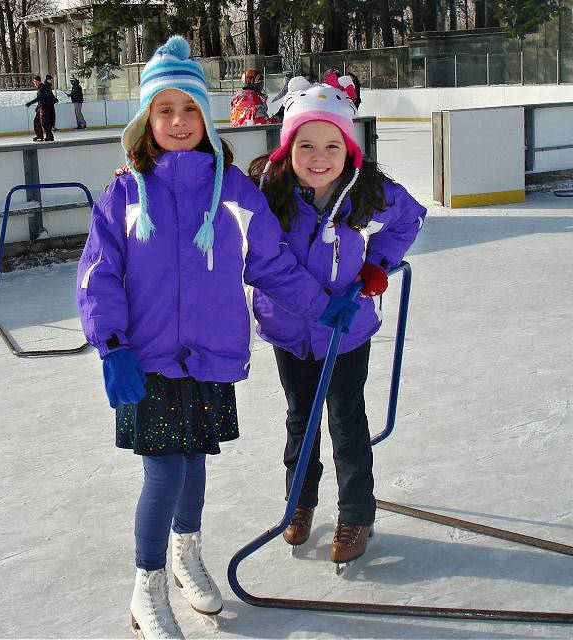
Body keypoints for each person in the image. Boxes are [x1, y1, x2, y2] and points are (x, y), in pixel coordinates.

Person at [76, 36, 345, 639]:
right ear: (148, 119)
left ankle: (184, 553)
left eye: (189, 109)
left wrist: (322, 306)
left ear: (206, 114)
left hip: (210, 357)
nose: (177, 122)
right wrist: (111, 344)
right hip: (145, 360)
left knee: (194, 463)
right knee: (164, 473)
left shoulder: (234, 193)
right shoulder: (123, 193)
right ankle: (145, 585)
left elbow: (271, 265)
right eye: (164, 110)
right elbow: (99, 275)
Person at [248, 74, 426, 567]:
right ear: (287, 148)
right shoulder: (266, 192)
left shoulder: (364, 190)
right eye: (305, 144)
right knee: (300, 419)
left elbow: (410, 217)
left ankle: (356, 514)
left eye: (332, 145)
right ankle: (299, 503)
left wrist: (376, 265)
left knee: (347, 421)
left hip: (346, 333)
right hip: (289, 329)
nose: (319, 156)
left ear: (349, 149)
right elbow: (260, 260)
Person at [26, 75, 57, 141]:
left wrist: (30, 103)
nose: (34, 83)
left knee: (44, 122)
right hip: (42, 107)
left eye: (35, 81)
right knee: (37, 120)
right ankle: (39, 135)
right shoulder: (42, 87)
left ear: (38, 81)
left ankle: (50, 136)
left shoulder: (42, 88)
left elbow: (40, 98)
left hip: (45, 107)